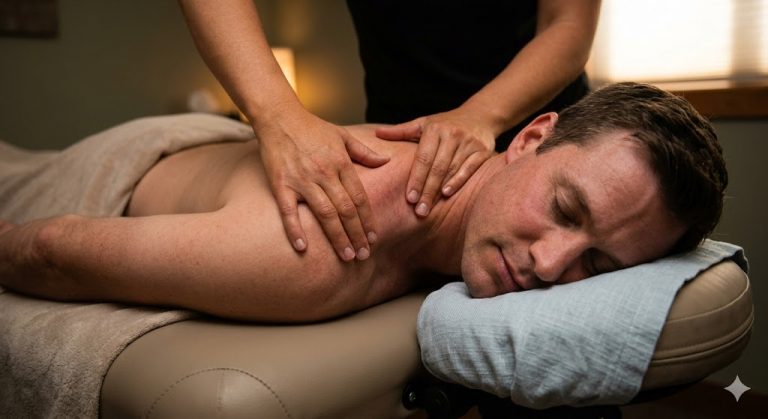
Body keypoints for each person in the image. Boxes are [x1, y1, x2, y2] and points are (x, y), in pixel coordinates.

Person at [0, 83, 727, 323]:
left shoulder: (481, 225)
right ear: (531, 136)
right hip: (124, 161)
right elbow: (50, 249)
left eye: (597, 262)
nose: (549, 263)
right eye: (568, 211)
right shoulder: (317, 245)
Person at [177, 0, 601, 262]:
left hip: (545, 146)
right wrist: (278, 118)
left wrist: (481, 116)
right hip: (401, 137)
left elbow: (568, 21)